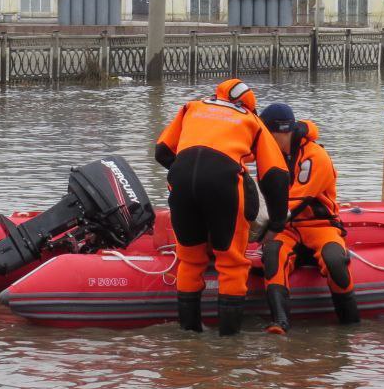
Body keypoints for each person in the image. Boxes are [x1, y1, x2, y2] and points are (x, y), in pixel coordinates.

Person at [155, 78, 290, 336]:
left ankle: (189, 335)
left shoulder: (192, 108)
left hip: (180, 179)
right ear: (249, 105)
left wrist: (190, 179)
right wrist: (276, 222)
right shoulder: (251, 121)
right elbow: (275, 175)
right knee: (231, 262)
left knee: (191, 260)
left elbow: (161, 151)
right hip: (223, 183)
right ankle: (228, 345)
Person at [259, 103, 362, 333]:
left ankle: (350, 325)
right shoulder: (270, 155)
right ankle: (279, 323)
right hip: (288, 228)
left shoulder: (315, 156)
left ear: (281, 131)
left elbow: (297, 200)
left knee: (335, 260)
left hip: (319, 225)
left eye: (265, 133)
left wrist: (261, 232)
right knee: (273, 254)